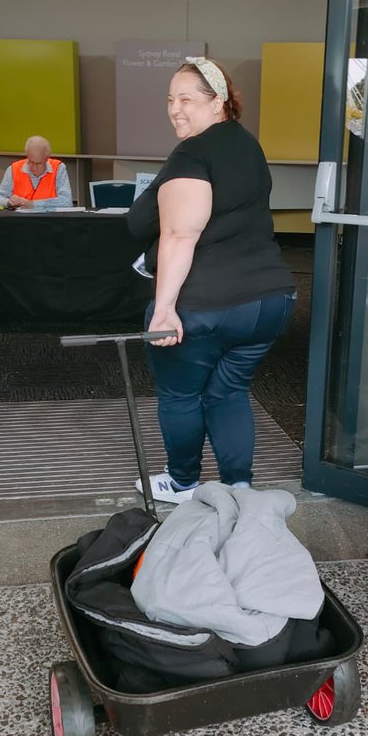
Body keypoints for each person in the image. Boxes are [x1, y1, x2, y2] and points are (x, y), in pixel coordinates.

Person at [127, 57, 295, 504]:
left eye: (187, 99)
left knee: (181, 395)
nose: (175, 109)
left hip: (205, 304)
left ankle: (183, 484)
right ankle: (239, 485)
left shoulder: (193, 153)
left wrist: (164, 308)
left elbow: (180, 233)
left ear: (218, 101)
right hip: (269, 302)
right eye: (169, 99)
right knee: (229, 392)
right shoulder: (247, 146)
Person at [0, 135, 72, 207]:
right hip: (20, 219)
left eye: (39, 164)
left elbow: (66, 202)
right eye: (31, 162)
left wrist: (30, 204)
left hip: (50, 218)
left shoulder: (58, 168)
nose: (34, 168)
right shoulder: (14, 169)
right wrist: (9, 202)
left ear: (47, 159)